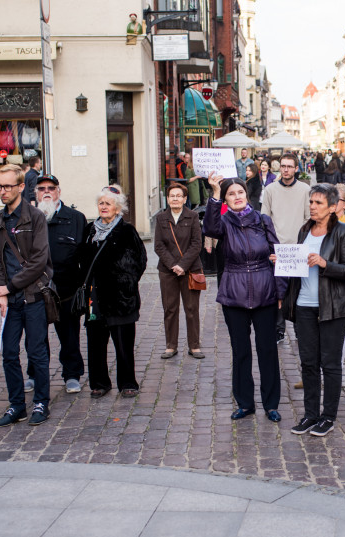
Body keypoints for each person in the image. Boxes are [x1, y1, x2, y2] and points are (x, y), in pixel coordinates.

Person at [204, 173, 283, 422]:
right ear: (226, 198)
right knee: (241, 351)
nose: (237, 197)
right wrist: (215, 195)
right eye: (231, 194)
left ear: (246, 195)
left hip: (264, 291)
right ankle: (245, 403)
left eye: (240, 192)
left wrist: (280, 291)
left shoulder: (262, 220)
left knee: (267, 350)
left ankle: (271, 404)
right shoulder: (224, 222)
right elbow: (210, 228)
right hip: (234, 293)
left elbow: (277, 255)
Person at [282, 184, 345, 437]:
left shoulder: (344, 232)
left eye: (318, 203)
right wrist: (283, 261)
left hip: (333, 307)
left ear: (333, 207)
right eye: (311, 202)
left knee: (330, 363)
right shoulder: (305, 230)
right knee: (308, 363)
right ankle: (310, 415)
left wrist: (325, 263)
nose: (312, 207)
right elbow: (298, 263)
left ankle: (328, 417)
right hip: (304, 305)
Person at [0, 165, 54, 426]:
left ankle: (41, 402)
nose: (2, 191)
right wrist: (0, 290)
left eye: (7, 186)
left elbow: (39, 260)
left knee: (37, 352)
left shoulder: (35, 217)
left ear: (19, 187)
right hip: (11, 298)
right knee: (8, 352)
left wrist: (10, 286)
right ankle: (17, 405)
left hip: (33, 295)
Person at [77, 185, 147, 399]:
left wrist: (126, 282)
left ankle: (127, 382)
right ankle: (99, 382)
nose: (103, 207)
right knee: (96, 342)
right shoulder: (90, 230)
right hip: (95, 296)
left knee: (123, 343)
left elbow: (140, 261)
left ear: (118, 208)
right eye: (101, 203)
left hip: (120, 298)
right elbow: (82, 258)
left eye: (108, 203)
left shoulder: (126, 231)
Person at [35, 174, 87, 394]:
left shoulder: (75, 218)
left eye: (51, 187)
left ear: (59, 191)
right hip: (35, 288)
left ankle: (72, 374)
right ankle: (34, 374)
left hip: (66, 288)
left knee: (69, 335)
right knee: (36, 336)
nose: (47, 191)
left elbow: (84, 254)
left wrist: (84, 285)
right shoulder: (29, 217)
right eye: (41, 188)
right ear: (35, 192)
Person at [262, 153, 312, 342]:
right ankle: (278, 329)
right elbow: (265, 218)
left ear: (296, 168)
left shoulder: (305, 190)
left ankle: (300, 328)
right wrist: (270, 245)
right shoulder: (270, 189)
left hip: (298, 248)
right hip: (277, 248)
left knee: (299, 290)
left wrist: (303, 242)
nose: (286, 169)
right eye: (283, 166)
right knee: (278, 292)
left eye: (290, 166)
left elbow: (309, 218)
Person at [154, 182, 204, 360]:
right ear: (167, 199)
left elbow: (197, 244)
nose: (175, 199)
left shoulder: (192, 216)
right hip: (167, 271)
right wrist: (173, 266)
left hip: (190, 270)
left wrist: (182, 265)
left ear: (184, 199)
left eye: (178, 196)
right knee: (170, 308)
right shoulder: (161, 218)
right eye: (171, 196)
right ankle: (171, 346)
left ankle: (194, 345)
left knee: (192, 308)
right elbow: (158, 246)